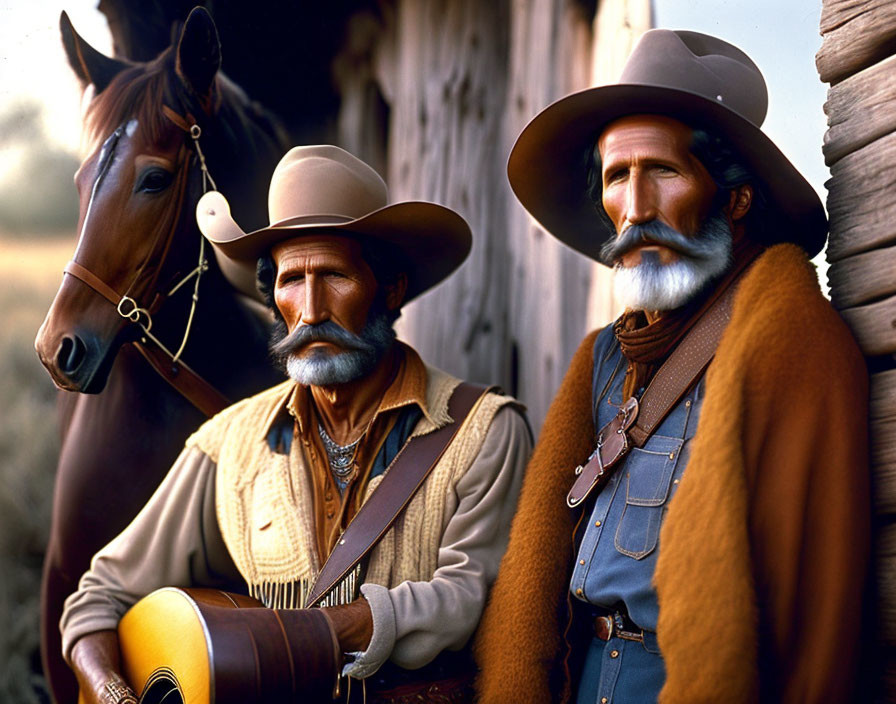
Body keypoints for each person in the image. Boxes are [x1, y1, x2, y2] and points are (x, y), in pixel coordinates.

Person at [475, 29, 870, 703]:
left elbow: (819, 614)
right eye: (615, 177)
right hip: (582, 675)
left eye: (662, 171)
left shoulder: (794, 342)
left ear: (735, 199)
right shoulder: (605, 357)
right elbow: (543, 564)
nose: (635, 208)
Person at [61, 145, 531, 703]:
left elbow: (471, 595)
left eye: (333, 275)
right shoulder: (227, 445)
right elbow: (97, 598)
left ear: (390, 289)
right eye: (291, 280)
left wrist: (321, 632)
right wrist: (111, 691)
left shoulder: (486, 431)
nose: (309, 310)